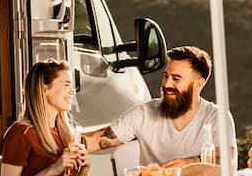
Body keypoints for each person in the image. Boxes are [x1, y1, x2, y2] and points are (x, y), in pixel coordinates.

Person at [84, 46, 236, 168]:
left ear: (198, 84)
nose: (167, 84)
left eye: (176, 78)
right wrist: (60, 134)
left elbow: (229, 162)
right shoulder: (144, 113)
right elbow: (96, 141)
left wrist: (190, 163)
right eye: (166, 76)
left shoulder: (217, 117)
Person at [1, 59, 90, 176]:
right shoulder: (21, 133)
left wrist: (84, 170)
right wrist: (53, 170)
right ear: (44, 90)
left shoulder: (62, 134)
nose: (73, 92)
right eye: (66, 85)